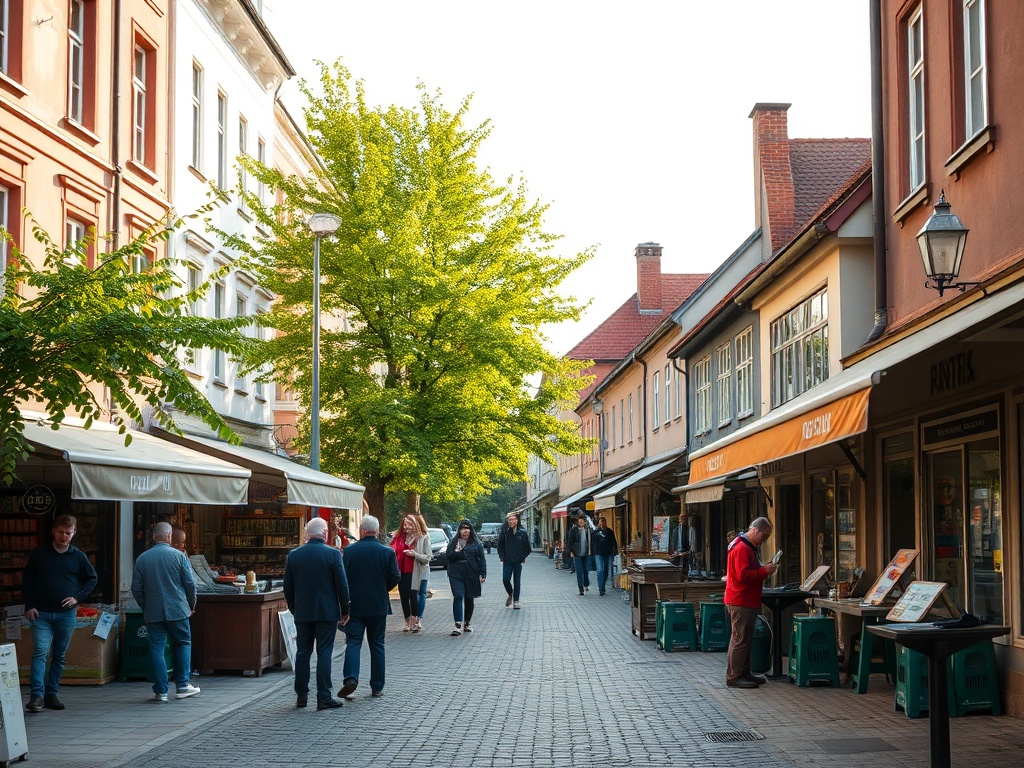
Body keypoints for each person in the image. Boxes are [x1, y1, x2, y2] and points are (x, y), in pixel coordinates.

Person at [22, 514, 97, 713]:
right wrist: (29, 605)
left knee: (59, 655)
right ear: (53, 531)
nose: (64, 537)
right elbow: (27, 580)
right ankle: (37, 695)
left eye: (68, 533)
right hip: (41, 614)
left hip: (66, 614)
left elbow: (92, 578)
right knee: (40, 651)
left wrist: (77, 598)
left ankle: (51, 693)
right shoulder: (40, 554)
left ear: (74, 533)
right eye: (61, 532)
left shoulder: (78, 556)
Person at [131, 521, 202, 703]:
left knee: (157, 648)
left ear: (154, 537)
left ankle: (161, 691)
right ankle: (182, 686)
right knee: (183, 643)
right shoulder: (179, 557)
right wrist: (191, 604)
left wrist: (145, 605)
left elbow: (136, 588)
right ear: (170, 537)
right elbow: (190, 584)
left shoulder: (142, 559)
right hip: (178, 609)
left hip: (153, 611)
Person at [283, 517, 350, 710]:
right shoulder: (333, 555)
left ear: (307, 534)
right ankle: (324, 696)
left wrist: (295, 608)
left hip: (303, 612)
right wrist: (345, 609)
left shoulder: (294, 556)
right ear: (325, 534)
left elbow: (288, 587)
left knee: (303, 652)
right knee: (324, 653)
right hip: (327, 612)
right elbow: (342, 586)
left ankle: (301, 694)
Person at [339, 516, 400, 699]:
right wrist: (383, 588)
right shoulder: (387, 552)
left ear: (362, 530)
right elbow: (395, 576)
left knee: (354, 643)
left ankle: (351, 678)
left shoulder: (349, 551)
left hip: (355, 606)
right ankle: (377, 686)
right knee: (377, 644)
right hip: (378, 605)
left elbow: (342, 580)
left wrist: (344, 602)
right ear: (377, 529)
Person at [724, 517, 777, 689]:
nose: (764, 540)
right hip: (741, 600)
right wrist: (764, 571)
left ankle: (743, 672)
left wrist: (762, 569)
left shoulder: (742, 545)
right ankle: (734, 676)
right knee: (740, 639)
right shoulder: (742, 548)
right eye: (764, 536)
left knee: (744, 639)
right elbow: (743, 576)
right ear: (755, 531)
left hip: (743, 599)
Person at [445, 519, 486, 635]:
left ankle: (467, 622)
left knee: (469, 598)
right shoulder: (454, 542)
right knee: (458, 596)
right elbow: (449, 557)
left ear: (471, 530)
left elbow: (482, 560)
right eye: (463, 529)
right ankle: (458, 625)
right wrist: (458, 549)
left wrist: (483, 574)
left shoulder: (476, 544)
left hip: (471, 574)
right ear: (459, 531)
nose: (465, 531)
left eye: (467, 529)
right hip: (455, 574)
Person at [390, 514, 425, 632]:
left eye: (410, 524)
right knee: (403, 595)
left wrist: (413, 553)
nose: (407, 527)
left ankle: (415, 619)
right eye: (405, 524)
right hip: (401, 570)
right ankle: (407, 620)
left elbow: (426, 556)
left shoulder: (420, 537)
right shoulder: (399, 537)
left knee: (413, 595)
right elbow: (392, 549)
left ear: (415, 525)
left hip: (414, 570)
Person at [497, 510, 530, 609]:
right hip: (507, 560)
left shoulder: (522, 532)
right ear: (507, 521)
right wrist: (502, 557)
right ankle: (510, 593)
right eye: (510, 520)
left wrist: (523, 557)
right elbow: (500, 546)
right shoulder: (505, 532)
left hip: (518, 561)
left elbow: (527, 548)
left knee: (517, 581)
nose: (512, 522)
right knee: (505, 579)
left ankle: (516, 601)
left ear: (517, 520)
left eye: (514, 519)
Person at [412, 514, 432, 630]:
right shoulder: (407, 537)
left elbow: (428, 557)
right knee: (412, 595)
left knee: (421, 594)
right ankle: (411, 619)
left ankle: (418, 619)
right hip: (410, 571)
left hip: (422, 571)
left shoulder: (425, 537)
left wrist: (414, 554)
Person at [566, 513, 593, 595]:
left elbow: (591, 540)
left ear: (585, 522)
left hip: (586, 554)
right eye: (579, 522)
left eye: (582, 521)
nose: (581, 523)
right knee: (579, 571)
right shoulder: (574, 530)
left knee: (586, 570)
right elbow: (570, 541)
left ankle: (586, 584)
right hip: (577, 553)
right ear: (578, 522)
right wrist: (570, 551)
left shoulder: (588, 530)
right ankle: (581, 589)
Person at [592, 516, 619, 596]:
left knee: (606, 571)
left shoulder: (609, 531)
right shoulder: (595, 532)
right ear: (598, 523)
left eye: (604, 522)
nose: (602, 523)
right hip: (598, 554)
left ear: (606, 523)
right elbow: (592, 543)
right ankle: (601, 588)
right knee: (600, 570)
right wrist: (592, 553)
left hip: (607, 553)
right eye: (601, 522)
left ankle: (603, 585)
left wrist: (615, 553)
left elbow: (614, 542)